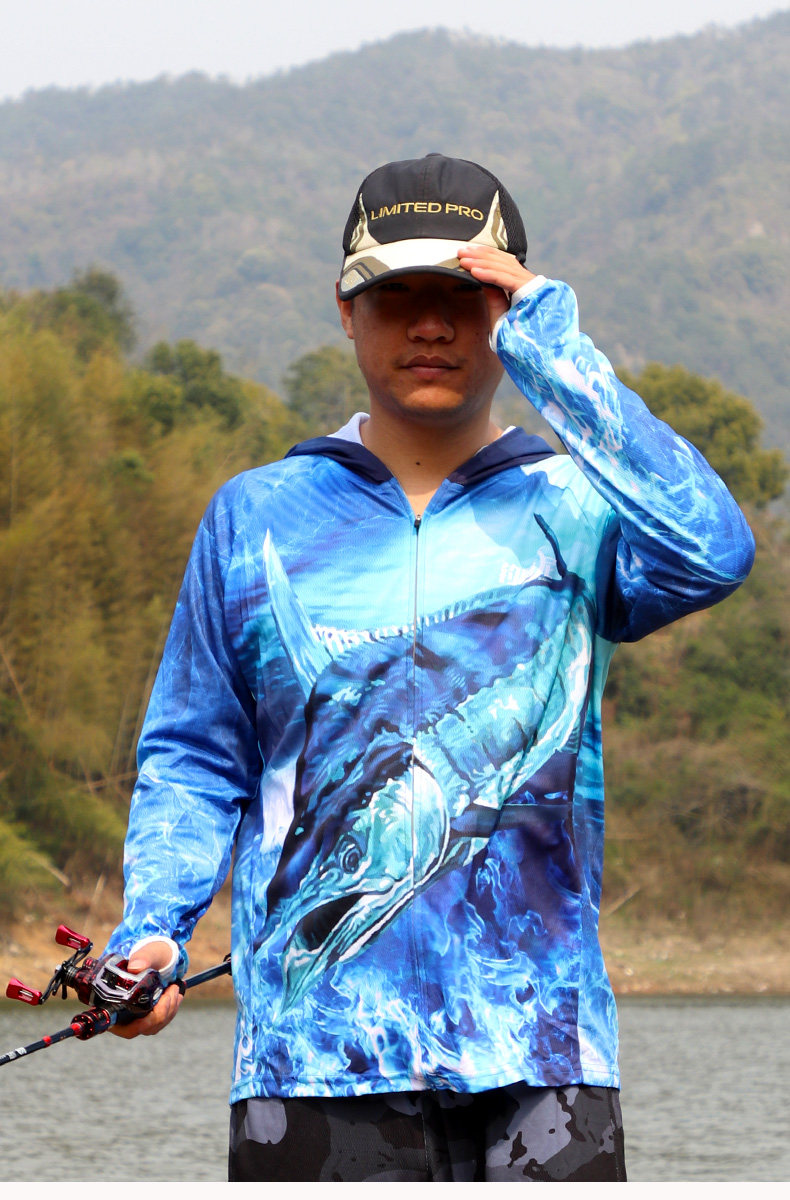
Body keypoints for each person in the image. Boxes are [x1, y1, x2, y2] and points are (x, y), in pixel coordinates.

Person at [104, 153, 755, 1181]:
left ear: (508, 308)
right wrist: (153, 931)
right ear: (345, 309)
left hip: (543, 1057)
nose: (432, 326)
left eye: (465, 296)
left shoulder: (577, 507)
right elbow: (195, 754)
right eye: (397, 295)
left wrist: (549, 342)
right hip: (310, 1062)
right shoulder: (256, 516)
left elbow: (711, 551)